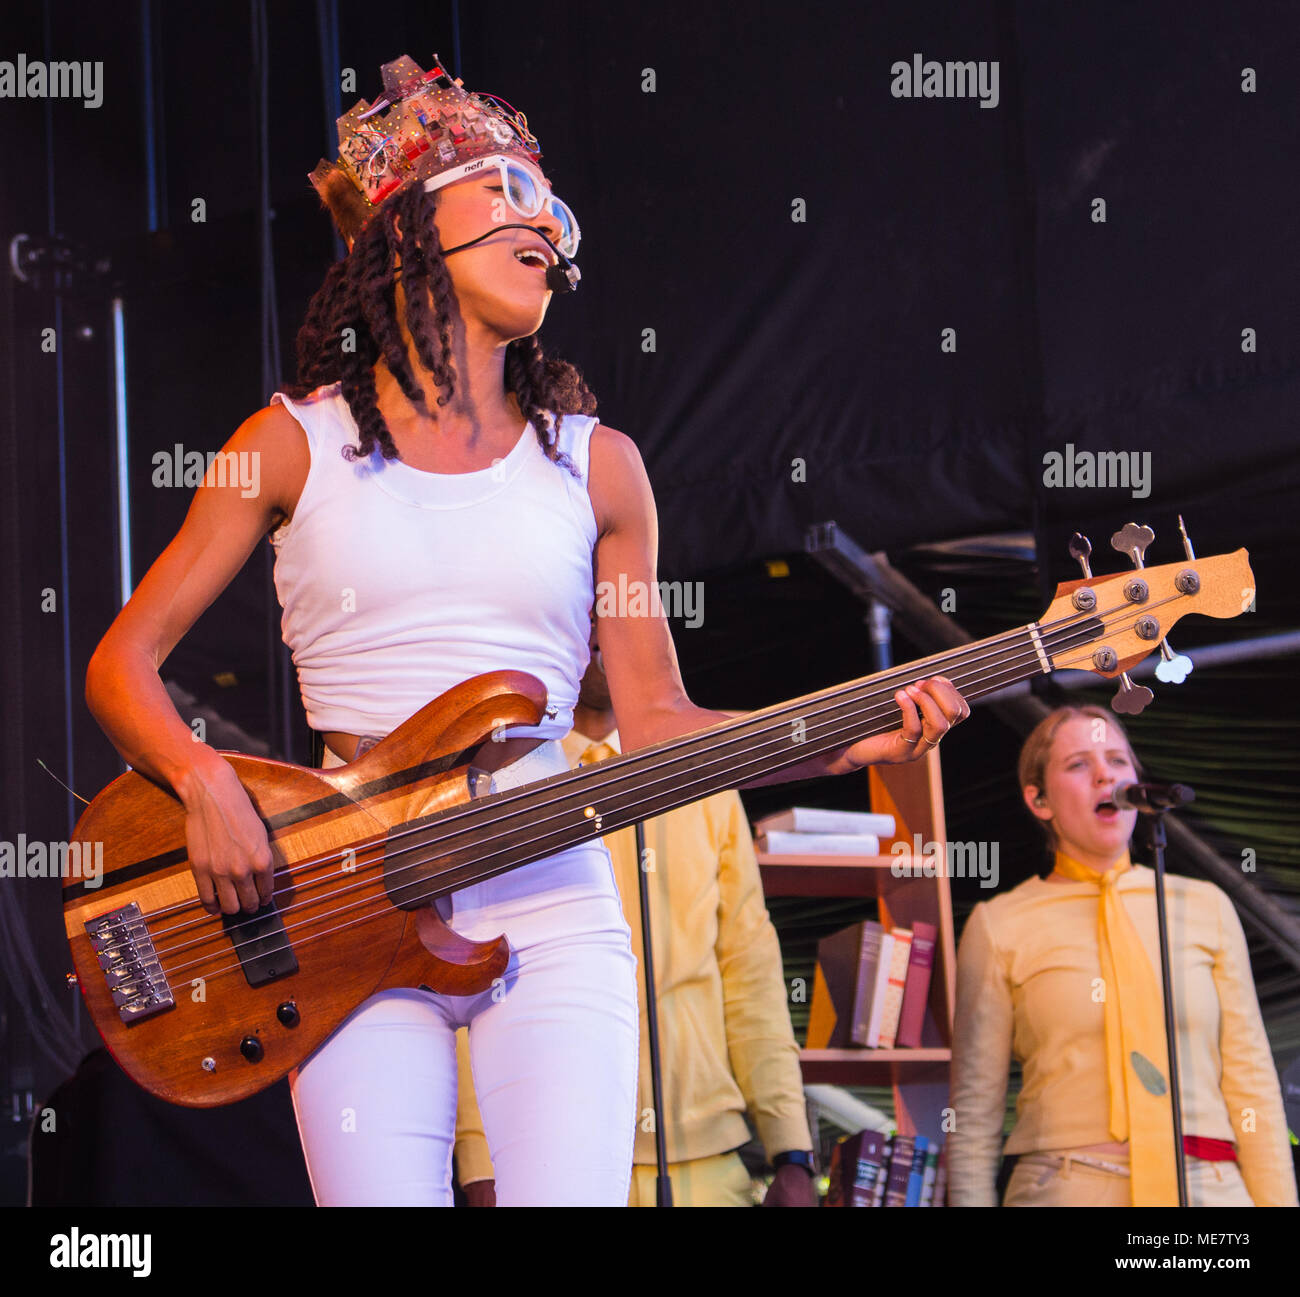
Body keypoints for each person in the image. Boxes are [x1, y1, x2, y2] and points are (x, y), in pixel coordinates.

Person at [83, 54, 967, 1207]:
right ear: (404, 231)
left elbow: (653, 720)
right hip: (342, 903)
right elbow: (121, 663)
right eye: (501, 192)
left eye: (547, 204)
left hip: (554, 891)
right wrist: (202, 780)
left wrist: (841, 741)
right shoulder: (289, 444)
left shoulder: (599, 468)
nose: (538, 219)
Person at [453, 635, 818, 1206]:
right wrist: (478, 1157)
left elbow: (751, 971)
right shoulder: (497, 785)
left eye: (615, 606)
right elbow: (470, 972)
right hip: (552, 1155)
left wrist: (791, 1151)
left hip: (706, 1160)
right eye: (587, 610)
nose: (603, 630)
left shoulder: (705, 778)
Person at [947, 704, 1297, 1207]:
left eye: (1117, 760)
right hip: (1071, 1186)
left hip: (1208, 1189)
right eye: (1078, 765)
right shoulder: (1000, 922)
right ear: (1038, 799)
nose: (1105, 775)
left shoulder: (1203, 908)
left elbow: (1254, 1086)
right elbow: (974, 1112)